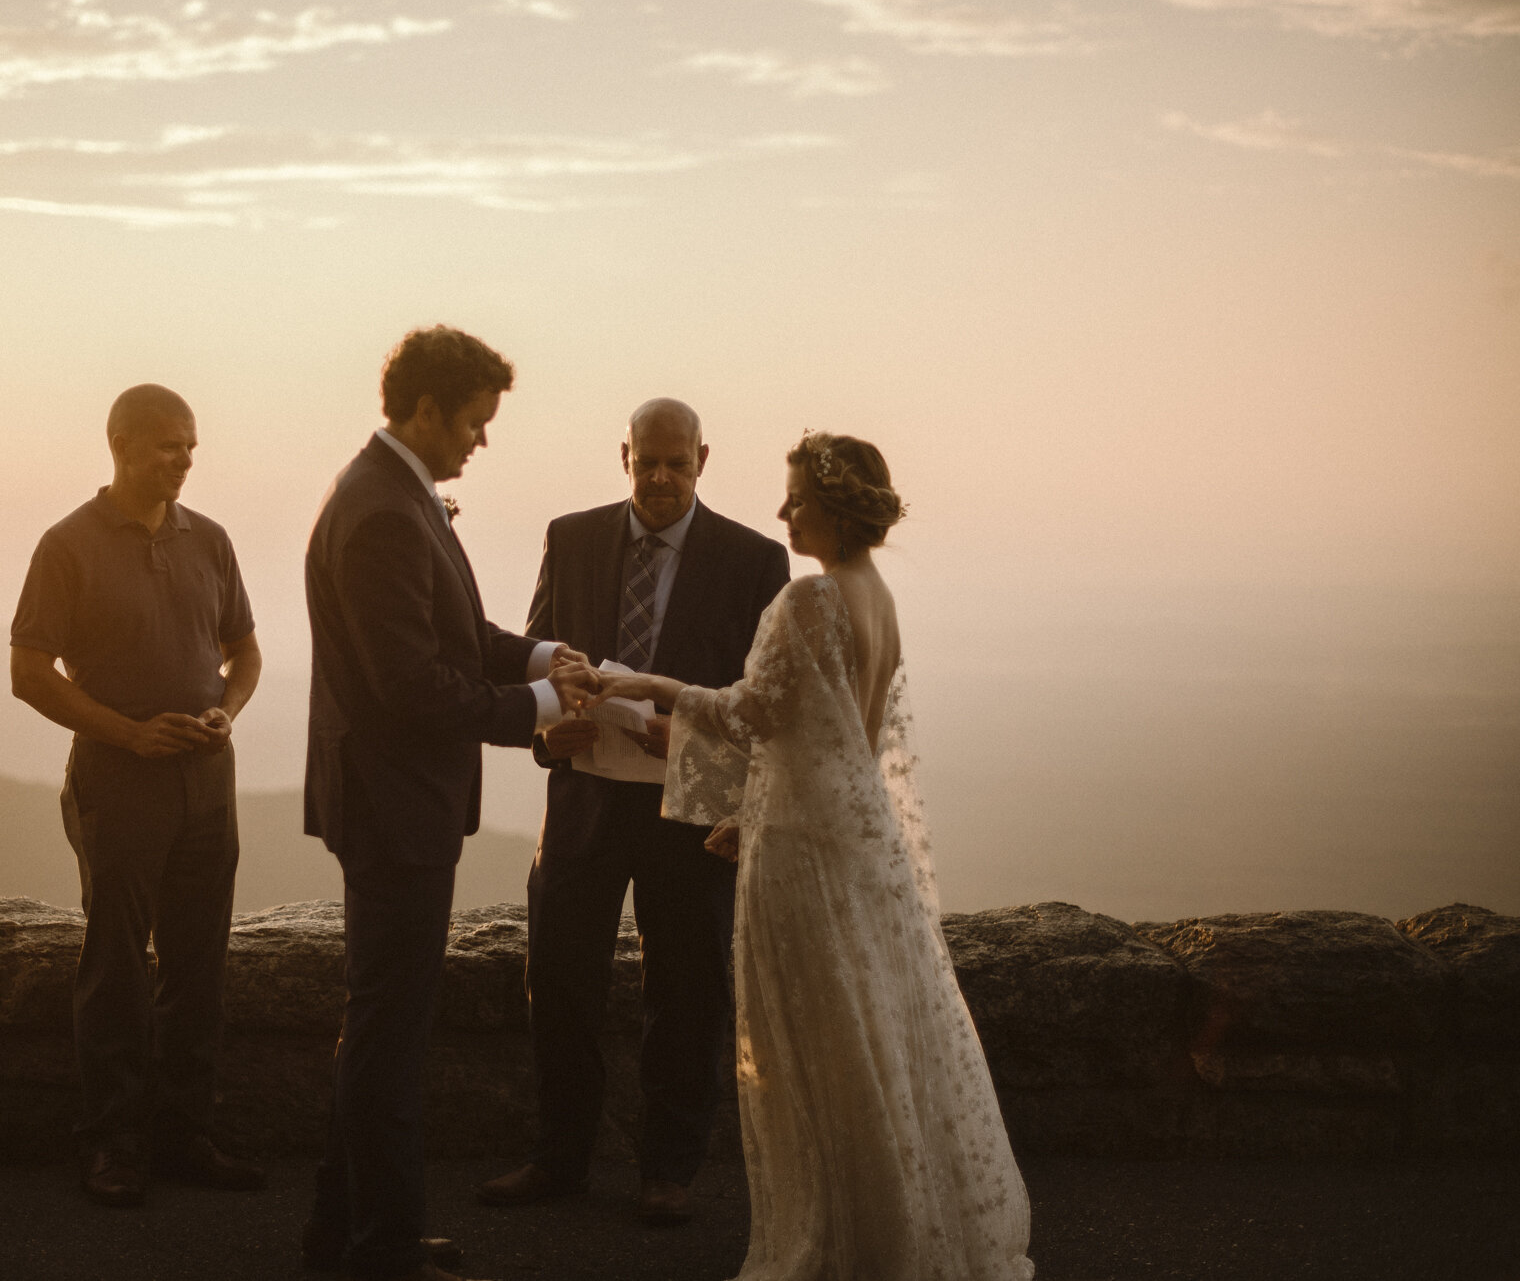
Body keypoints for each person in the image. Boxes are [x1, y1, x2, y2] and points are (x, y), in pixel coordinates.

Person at [588, 432, 1034, 1280]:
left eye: (794, 496)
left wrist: (651, 687)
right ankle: (896, 1227)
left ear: (831, 506)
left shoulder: (808, 601)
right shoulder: (880, 598)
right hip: (856, 841)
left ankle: (838, 1236)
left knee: (807, 1049)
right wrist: (754, 813)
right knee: (868, 1034)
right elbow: (845, 743)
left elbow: (752, 711)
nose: (782, 510)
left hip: (803, 855)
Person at [302, 327, 595, 1281]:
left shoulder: (388, 492)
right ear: (425, 408)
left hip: (395, 803)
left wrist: (544, 655)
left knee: (380, 1022)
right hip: (395, 809)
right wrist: (542, 712)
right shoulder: (383, 510)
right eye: (474, 421)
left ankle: (342, 1233)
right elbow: (412, 688)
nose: (480, 440)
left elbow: (458, 633)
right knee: (389, 1033)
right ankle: (381, 1248)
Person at [477, 399, 788, 1224]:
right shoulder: (571, 536)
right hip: (582, 797)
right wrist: (551, 726)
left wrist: (683, 737)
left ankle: (669, 1169)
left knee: (686, 987)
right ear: (624, 455)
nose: (658, 478)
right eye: (645, 461)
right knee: (559, 973)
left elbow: (764, 705)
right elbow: (539, 655)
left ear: (703, 460)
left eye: (675, 464)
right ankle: (559, 1157)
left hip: (690, 810)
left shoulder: (755, 559)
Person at [9, 384, 266, 1207]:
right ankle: (111, 1144)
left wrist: (225, 713)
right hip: (118, 782)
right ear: (120, 445)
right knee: (117, 965)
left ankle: (186, 1134)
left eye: (190, 446)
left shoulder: (211, 541)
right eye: (169, 446)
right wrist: (129, 734)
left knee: (198, 963)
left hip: (207, 781)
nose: (185, 459)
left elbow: (247, 653)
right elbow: (27, 672)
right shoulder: (67, 544)